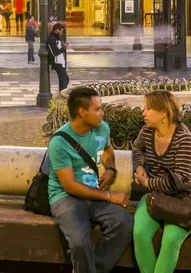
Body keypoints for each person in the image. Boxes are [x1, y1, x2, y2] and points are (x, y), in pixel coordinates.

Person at [48, 86, 131, 273]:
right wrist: (109, 195)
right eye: (97, 109)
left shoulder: (102, 129)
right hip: (65, 198)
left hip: (93, 195)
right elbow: (69, 186)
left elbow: (109, 150)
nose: (103, 112)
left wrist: (110, 168)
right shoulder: (59, 141)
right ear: (81, 112)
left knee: (124, 223)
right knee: (79, 242)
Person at [131, 90, 191, 273]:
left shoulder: (184, 139)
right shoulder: (147, 132)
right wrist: (139, 166)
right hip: (156, 197)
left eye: (148, 109)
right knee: (139, 233)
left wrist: (147, 183)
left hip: (184, 199)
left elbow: (179, 180)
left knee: (170, 240)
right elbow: (137, 148)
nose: (143, 113)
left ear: (164, 113)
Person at [46, 19, 70, 92]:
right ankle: (62, 96)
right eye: (61, 31)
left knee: (65, 79)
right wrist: (64, 48)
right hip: (57, 63)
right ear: (56, 30)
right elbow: (55, 52)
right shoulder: (52, 38)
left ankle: (62, 94)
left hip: (59, 62)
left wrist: (62, 46)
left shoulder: (55, 37)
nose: (62, 32)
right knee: (63, 81)